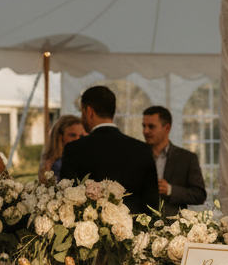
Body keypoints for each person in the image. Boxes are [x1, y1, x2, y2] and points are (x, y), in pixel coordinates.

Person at [60, 85, 159, 216]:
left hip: (88, 232)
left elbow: (67, 198)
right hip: (132, 231)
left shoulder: (74, 149)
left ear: (89, 112)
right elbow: (151, 205)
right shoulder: (142, 149)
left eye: (82, 113)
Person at [141, 105, 206, 217]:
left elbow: (199, 195)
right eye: (144, 126)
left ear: (167, 128)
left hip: (173, 229)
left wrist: (171, 190)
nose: (146, 131)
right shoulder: (136, 155)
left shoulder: (187, 158)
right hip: (138, 227)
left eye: (151, 127)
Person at [38, 114, 86, 180]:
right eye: (72, 135)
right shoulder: (52, 162)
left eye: (81, 136)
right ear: (60, 137)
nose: (77, 139)